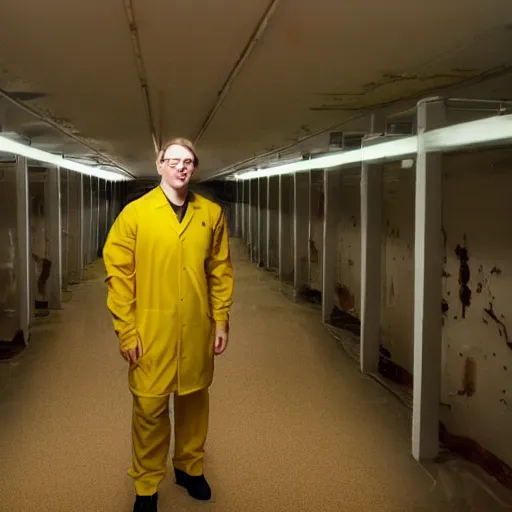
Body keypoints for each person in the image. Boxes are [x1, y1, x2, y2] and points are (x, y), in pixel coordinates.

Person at [103, 138, 234, 512]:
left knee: (194, 402)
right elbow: (118, 276)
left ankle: (190, 469)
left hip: (196, 327)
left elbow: (220, 271)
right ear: (158, 165)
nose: (181, 167)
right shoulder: (135, 214)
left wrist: (221, 318)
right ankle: (146, 486)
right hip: (150, 331)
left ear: (194, 168)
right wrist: (126, 331)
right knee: (149, 409)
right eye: (173, 160)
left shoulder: (211, 213)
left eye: (188, 161)